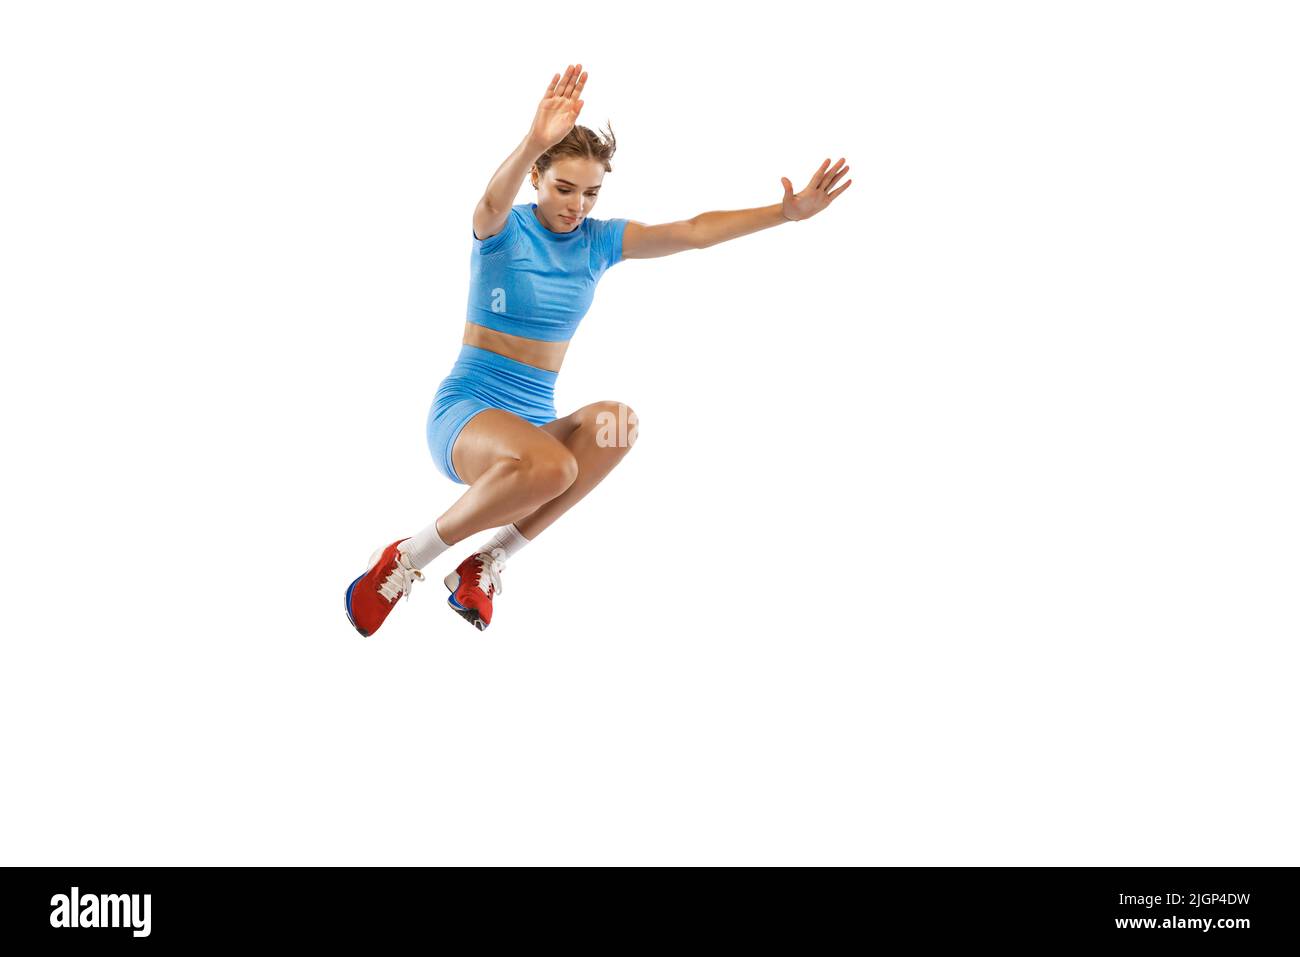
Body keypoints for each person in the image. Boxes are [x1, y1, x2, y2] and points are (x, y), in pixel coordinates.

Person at [346, 63, 852, 636]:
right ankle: (406, 558)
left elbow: (692, 231)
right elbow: (488, 202)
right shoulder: (503, 232)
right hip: (469, 414)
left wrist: (783, 214)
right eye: (564, 188)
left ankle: (487, 560)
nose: (577, 206)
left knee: (618, 425)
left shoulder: (599, 242)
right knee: (554, 466)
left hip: (534, 426)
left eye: (590, 192)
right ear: (536, 177)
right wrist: (533, 139)